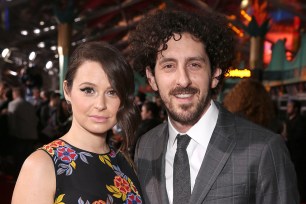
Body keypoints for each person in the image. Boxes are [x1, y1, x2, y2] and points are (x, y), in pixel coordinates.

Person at [128, 9, 299, 204]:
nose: (183, 80)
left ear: (215, 73)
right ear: (152, 78)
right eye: (169, 66)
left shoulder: (264, 150)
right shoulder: (146, 146)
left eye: (194, 65)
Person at [12, 41, 143, 204]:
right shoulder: (42, 165)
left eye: (112, 92)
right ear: (67, 91)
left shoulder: (124, 162)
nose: (100, 104)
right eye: (88, 90)